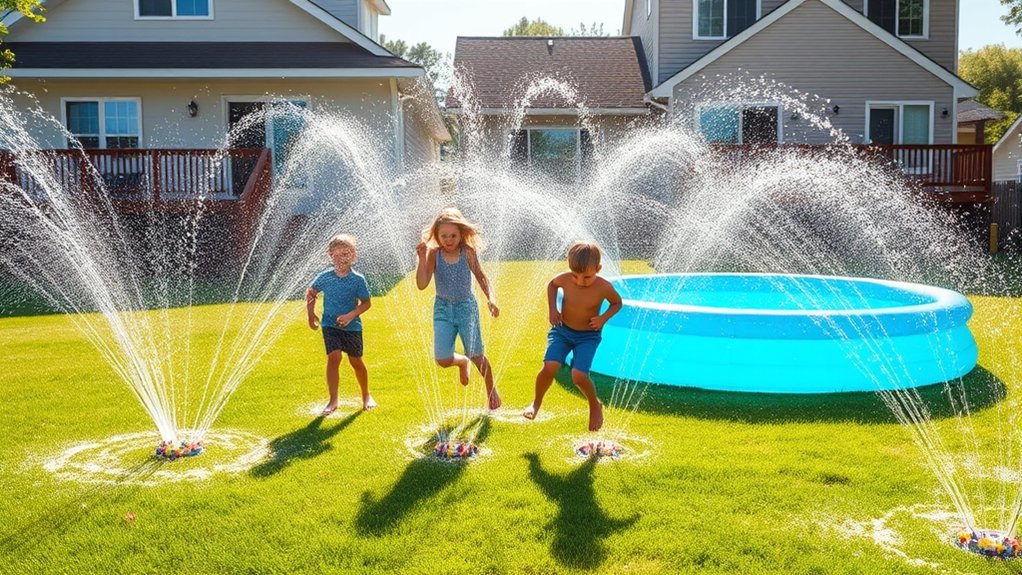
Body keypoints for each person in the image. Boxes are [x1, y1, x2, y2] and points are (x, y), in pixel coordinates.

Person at [523, 242, 622, 431]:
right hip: (562, 330)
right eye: (575, 275)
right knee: (549, 366)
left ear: (598, 269)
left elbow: (617, 303)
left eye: (587, 277)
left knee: (578, 376)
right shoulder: (566, 279)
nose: (580, 281)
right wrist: (553, 309)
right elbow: (552, 285)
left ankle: (594, 403)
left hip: (588, 336)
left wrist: (603, 319)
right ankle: (536, 403)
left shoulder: (603, 287)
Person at [415, 208, 501, 410]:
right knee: (442, 359)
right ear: (437, 236)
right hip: (443, 309)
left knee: (476, 355)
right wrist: (421, 259)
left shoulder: (467, 253)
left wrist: (491, 298)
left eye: (453, 235)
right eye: (443, 236)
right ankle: (462, 362)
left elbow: (481, 276)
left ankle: (491, 389)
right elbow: (422, 283)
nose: (448, 240)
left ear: (462, 234)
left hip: (466, 308)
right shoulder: (434, 254)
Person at [306, 234, 375, 415]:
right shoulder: (325, 277)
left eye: (346, 254)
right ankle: (333, 400)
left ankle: (366, 395)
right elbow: (311, 293)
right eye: (337, 255)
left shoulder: (358, 280)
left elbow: (367, 303)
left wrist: (351, 315)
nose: (342, 258)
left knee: (356, 361)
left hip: (352, 327)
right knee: (334, 357)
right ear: (330, 255)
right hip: (329, 325)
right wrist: (310, 314)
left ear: (353, 255)